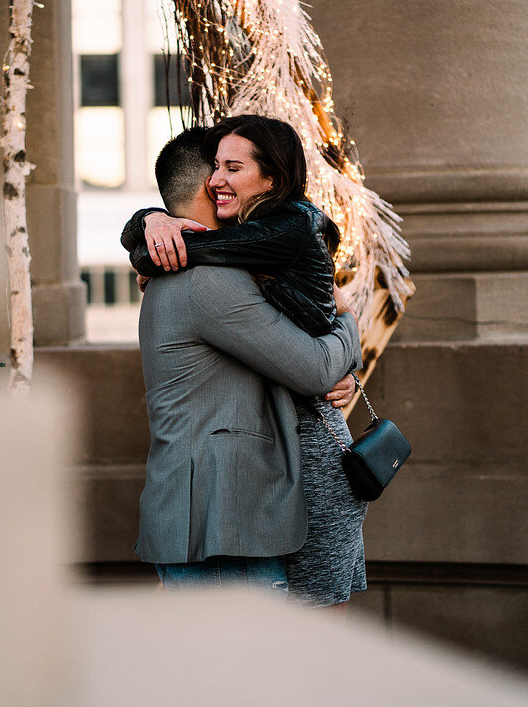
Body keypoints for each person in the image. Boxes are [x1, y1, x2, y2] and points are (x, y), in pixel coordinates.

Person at [122, 116, 369, 609]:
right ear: (203, 189)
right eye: (216, 172)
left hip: (241, 512)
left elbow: (301, 356)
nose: (222, 183)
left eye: (232, 168)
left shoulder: (238, 266)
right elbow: (315, 367)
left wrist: (146, 226)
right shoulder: (208, 280)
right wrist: (350, 324)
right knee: (264, 669)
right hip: (226, 518)